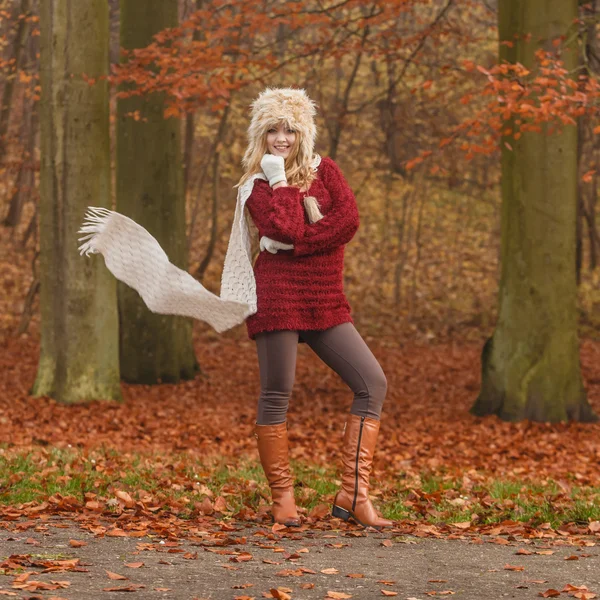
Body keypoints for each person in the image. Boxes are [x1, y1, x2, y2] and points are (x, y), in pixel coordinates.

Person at [236, 87, 393, 529]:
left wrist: (296, 243)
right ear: (261, 135)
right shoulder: (257, 185)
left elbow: (348, 223)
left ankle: (353, 495)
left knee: (372, 383)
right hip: (277, 293)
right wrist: (281, 181)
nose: (282, 138)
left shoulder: (328, 172)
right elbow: (280, 224)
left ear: (304, 131)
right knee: (277, 391)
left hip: (324, 297)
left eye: (290, 129)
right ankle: (283, 498)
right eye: (273, 130)